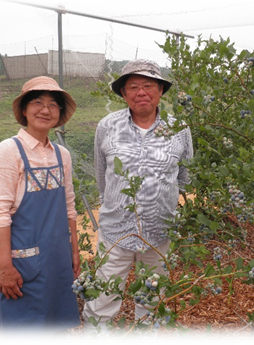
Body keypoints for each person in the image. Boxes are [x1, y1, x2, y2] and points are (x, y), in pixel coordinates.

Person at [83, 59, 193, 341]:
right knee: (103, 295)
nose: (141, 92)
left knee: (151, 295)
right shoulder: (107, 127)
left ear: (160, 91)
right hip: (116, 231)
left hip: (159, 231)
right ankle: (98, 338)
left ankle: (147, 339)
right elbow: (103, 177)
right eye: (133, 86)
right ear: (123, 93)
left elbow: (185, 178)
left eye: (148, 85)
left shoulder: (179, 129)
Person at [0, 76, 81, 342]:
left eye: (53, 104)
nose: (45, 110)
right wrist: (6, 268)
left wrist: (74, 252)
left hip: (56, 262)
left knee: (57, 329)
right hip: (19, 265)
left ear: (60, 113)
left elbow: (68, 206)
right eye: (37, 102)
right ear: (24, 110)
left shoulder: (62, 155)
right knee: (24, 333)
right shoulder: (8, 151)